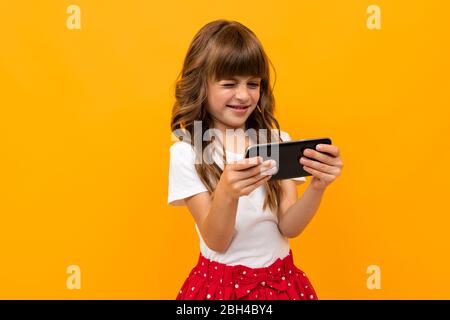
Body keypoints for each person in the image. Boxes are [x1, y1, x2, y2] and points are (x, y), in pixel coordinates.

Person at [168, 19, 343, 300]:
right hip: (221, 289)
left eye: (253, 83)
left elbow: (289, 226)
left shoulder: (274, 140)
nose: (243, 95)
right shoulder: (188, 151)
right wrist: (227, 191)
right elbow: (217, 241)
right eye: (229, 84)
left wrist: (317, 186)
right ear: (201, 85)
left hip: (280, 283)